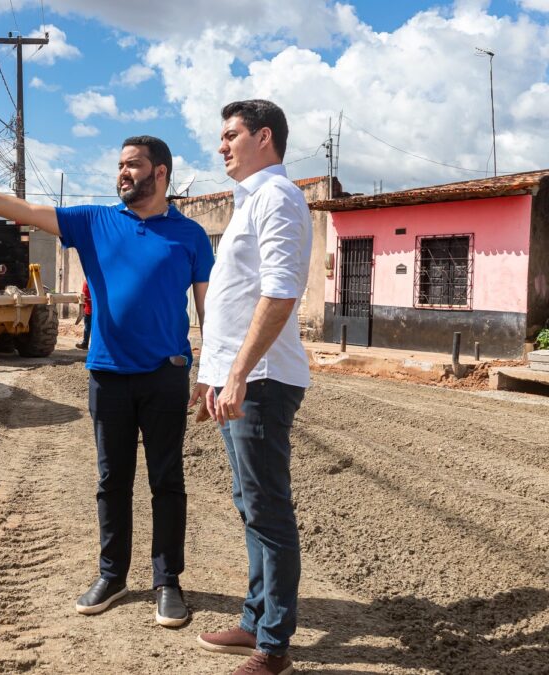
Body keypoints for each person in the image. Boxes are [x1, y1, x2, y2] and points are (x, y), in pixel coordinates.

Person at [0, 137, 214, 626]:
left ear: (160, 173)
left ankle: (168, 582)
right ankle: (112, 575)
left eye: (133, 165)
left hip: (166, 375)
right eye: (119, 164)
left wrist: (213, 372)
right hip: (109, 375)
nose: (122, 173)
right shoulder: (94, 222)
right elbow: (25, 209)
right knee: (111, 480)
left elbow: (208, 308)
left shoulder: (191, 236)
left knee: (167, 481)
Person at [191, 100, 312, 675]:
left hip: (261, 381)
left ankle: (274, 648)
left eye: (230, 134)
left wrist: (236, 374)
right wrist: (211, 377)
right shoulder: (251, 202)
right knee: (249, 504)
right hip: (240, 379)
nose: (221, 146)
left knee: (267, 509)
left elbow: (280, 293)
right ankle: (254, 618)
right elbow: (234, 300)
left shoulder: (278, 198)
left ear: (264, 137)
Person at [75, 279, 92, 350]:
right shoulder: (89, 281)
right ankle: (86, 344)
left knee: (88, 327)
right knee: (88, 327)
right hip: (89, 308)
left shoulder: (88, 282)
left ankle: (86, 344)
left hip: (90, 309)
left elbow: (86, 296)